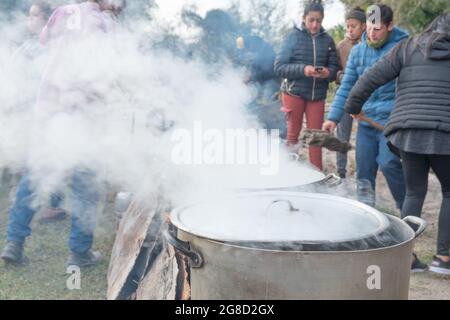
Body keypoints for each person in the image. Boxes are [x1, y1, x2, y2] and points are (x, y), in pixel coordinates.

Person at [1, 0, 125, 268]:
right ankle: (79, 253)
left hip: (49, 108)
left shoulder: (61, 12)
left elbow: (45, 41)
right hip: (83, 115)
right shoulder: (105, 23)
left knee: (33, 177)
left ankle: (14, 243)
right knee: (86, 187)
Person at [344, 13, 450, 275]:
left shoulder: (409, 46)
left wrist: (352, 106)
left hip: (407, 132)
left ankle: (407, 257)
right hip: (444, 133)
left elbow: (371, 77)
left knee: (414, 192)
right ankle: (443, 259)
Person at [323, 4, 408, 210]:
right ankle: (367, 212)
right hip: (366, 121)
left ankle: (407, 209)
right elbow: (347, 87)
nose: (372, 33)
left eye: (377, 28)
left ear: (389, 26)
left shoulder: (404, 49)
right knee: (364, 170)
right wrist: (333, 118)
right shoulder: (358, 52)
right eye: (369, 28)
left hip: (391, 122)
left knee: (389, 165)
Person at [10, 1, 69, 224]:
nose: (29, 20)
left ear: (47, 19)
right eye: (29, 15)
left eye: (34, 16)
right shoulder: (28, 48)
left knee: (49, 161)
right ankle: (46, 206)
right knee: (36, 165)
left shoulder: (49, 48)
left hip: (45, 112)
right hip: (33, 112)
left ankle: (52, 205)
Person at [274, 0, 338, 171]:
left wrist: (327, 73)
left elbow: (333, 69)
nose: (315, 24)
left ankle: (316, 175)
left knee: (316, 137)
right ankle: (287, 172)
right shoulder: (292, 37)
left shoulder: (328, 41)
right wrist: (304, 70)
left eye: (319, 20)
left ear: (323, 19)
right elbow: (279, 67)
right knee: (292, 135)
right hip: (293, 93)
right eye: (311, 20)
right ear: (304, 18)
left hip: (317, 95)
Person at [335, 7, 366, 179]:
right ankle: (341, 173)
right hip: (345, 96)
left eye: (353, 26)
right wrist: (343, 76)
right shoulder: (341, 46)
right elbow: (335, 72)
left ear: (363, 26)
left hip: (366, 98)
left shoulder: (370, 45)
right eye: (347, 26)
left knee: (364, 138)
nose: (349, 30)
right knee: (342, 136)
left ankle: (364, 173)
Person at [235, 35, 285, 137]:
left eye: (244, 48)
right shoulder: (254, 48)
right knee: (254, 105)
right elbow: (254, 67)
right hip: (262, 81)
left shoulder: (261, 50)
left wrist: (251, 77)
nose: (244, 50)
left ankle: (279, 134)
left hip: (271, 80)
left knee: (269, 106)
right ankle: (261, 130)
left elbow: (267, 69)